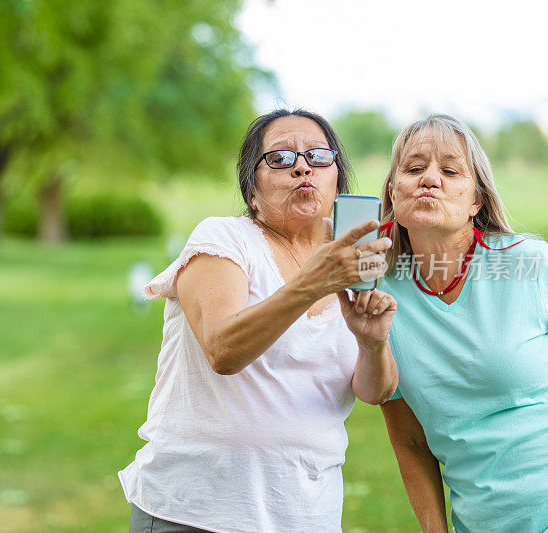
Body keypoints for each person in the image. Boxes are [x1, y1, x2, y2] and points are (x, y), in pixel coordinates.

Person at [118, 109, 399, 533]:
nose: (302, 166)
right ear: (252, 191)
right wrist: (311, 283)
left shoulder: (354, 261)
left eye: (319, 156)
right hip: (195, 511)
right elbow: (223, 349)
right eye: (281, 158)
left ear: (337, 180)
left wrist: (372, 343)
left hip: (307, 516)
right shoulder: (223, 239)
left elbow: (375, 391)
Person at [377, 114, 548, 532]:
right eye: (414, 169)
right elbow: (410, 441)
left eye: (450, 171)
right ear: (393, 194)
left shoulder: (527, 265)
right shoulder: (381, 299)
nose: (430, 179)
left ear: (477, 201)